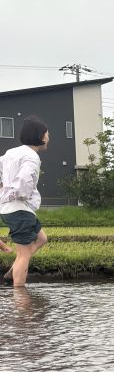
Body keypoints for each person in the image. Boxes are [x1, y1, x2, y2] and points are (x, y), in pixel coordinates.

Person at [1, 117, 51, 286]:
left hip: (11, 208)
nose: (49, 138)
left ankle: (13, 270)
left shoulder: (11, 152)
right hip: (19, 208)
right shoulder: (31, 157)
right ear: (41, 137)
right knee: (23, 254)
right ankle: (20, 295)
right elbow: (23, 182)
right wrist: (14, 193)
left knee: (42, 238)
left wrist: (4, 189)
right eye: (47, 134)